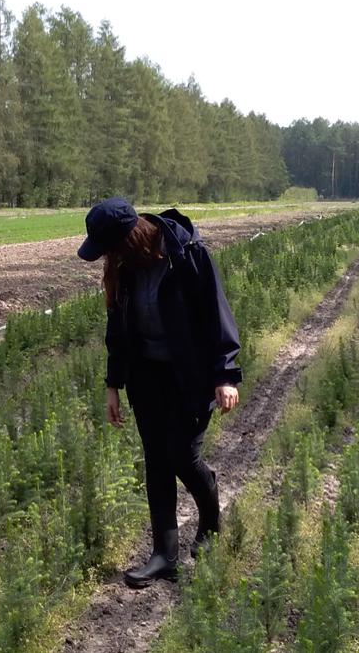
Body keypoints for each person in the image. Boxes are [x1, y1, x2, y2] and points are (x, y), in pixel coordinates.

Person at [78, 197, 242, 588]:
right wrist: (113, 384)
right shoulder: (124, 268)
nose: (109, 257)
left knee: (183, 456)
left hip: (189, 375)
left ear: (130, 238)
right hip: (146, 376)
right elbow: (117, 329)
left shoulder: (188, 255)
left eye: (111, 248)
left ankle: (210, 522)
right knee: (156, 460)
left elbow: (216, 314)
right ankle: (164, 556)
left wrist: (225, 375)